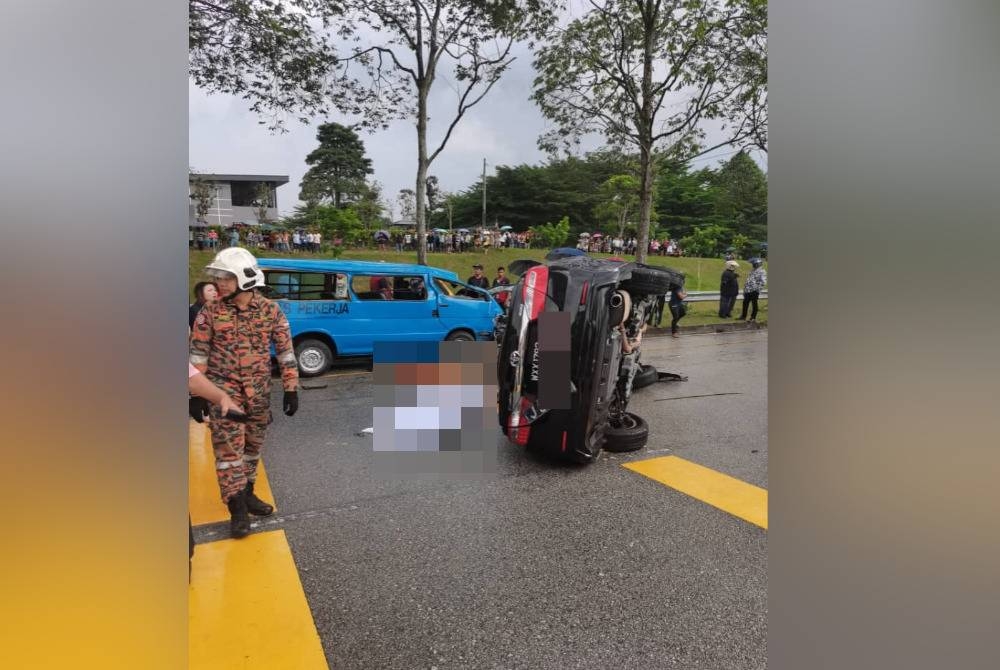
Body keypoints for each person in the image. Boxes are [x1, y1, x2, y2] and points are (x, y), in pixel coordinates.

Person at [190, 247, 299, 539]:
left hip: (259, 392)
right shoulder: (210, 311)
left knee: (252, 449)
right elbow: (198, 353)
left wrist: (291, 388)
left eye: (226, 277)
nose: (219, 283)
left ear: (245, 278)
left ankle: (247, 492)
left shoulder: (270, 311)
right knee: (228, 454)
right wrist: (197, 394)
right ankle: (237, 508)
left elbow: (286, 351)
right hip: (223, 393)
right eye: (218, 277)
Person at [739, 258, 767, 322]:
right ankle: (743, 316)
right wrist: (745, 289)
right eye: (753, 264)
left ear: (758, 264)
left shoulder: (762, 271)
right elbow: (749, 280)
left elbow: (763, 282)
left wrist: (757, 289)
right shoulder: (753, 270)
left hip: (754, 291)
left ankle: (753, 317)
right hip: (748, 290)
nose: (753, 265)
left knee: (754, 304)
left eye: (754, 264)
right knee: (745, 303)